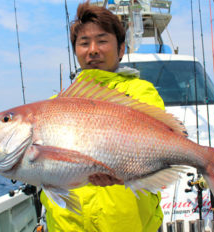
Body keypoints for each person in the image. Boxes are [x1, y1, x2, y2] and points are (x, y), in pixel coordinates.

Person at [40, 2, 165, 231]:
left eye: (103, 40)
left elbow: (153, 151)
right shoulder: (56, 103)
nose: (93, 49)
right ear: (76, 50)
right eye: (84, 43)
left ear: (120, 49)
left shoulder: (141, 93)